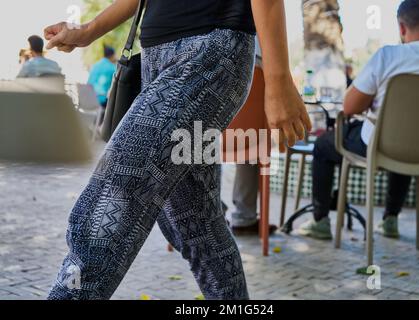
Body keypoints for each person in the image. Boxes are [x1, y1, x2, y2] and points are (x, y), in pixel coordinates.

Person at [43, 0, 311, 300]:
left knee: (110, 201)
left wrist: (279, 79)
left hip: (209, 50)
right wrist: (88, 30)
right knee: (196, 225)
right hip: (156, 58)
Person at [299, 0, 419, 240]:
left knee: (324, 145)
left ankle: (321, 221)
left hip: (379, 146)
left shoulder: (388, 56)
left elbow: (349, 107)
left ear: (401, 27)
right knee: (409, 136)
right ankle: (391, 219)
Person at [231, 41, 278, 236]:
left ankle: (209, 211)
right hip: (249, 137)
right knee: (254, 143)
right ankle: (244, 216)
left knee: (194, 146)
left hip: (205, 137)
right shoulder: (266, 55)